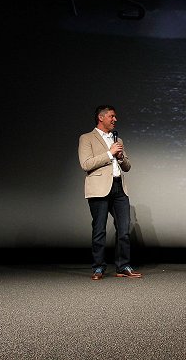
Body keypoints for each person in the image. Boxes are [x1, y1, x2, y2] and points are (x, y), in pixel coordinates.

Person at [78, 105, 142, 280]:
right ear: (101, 117)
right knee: (99, 230)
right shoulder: (86, 138)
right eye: (112, 116)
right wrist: (109, 153)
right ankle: (98, 267)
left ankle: (123, 266)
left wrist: (120, 157)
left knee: (124, 229)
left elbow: (127, 167)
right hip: (99, 189)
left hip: (119, 187)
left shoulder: (117, 139)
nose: (115, 119)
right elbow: (86, 164)